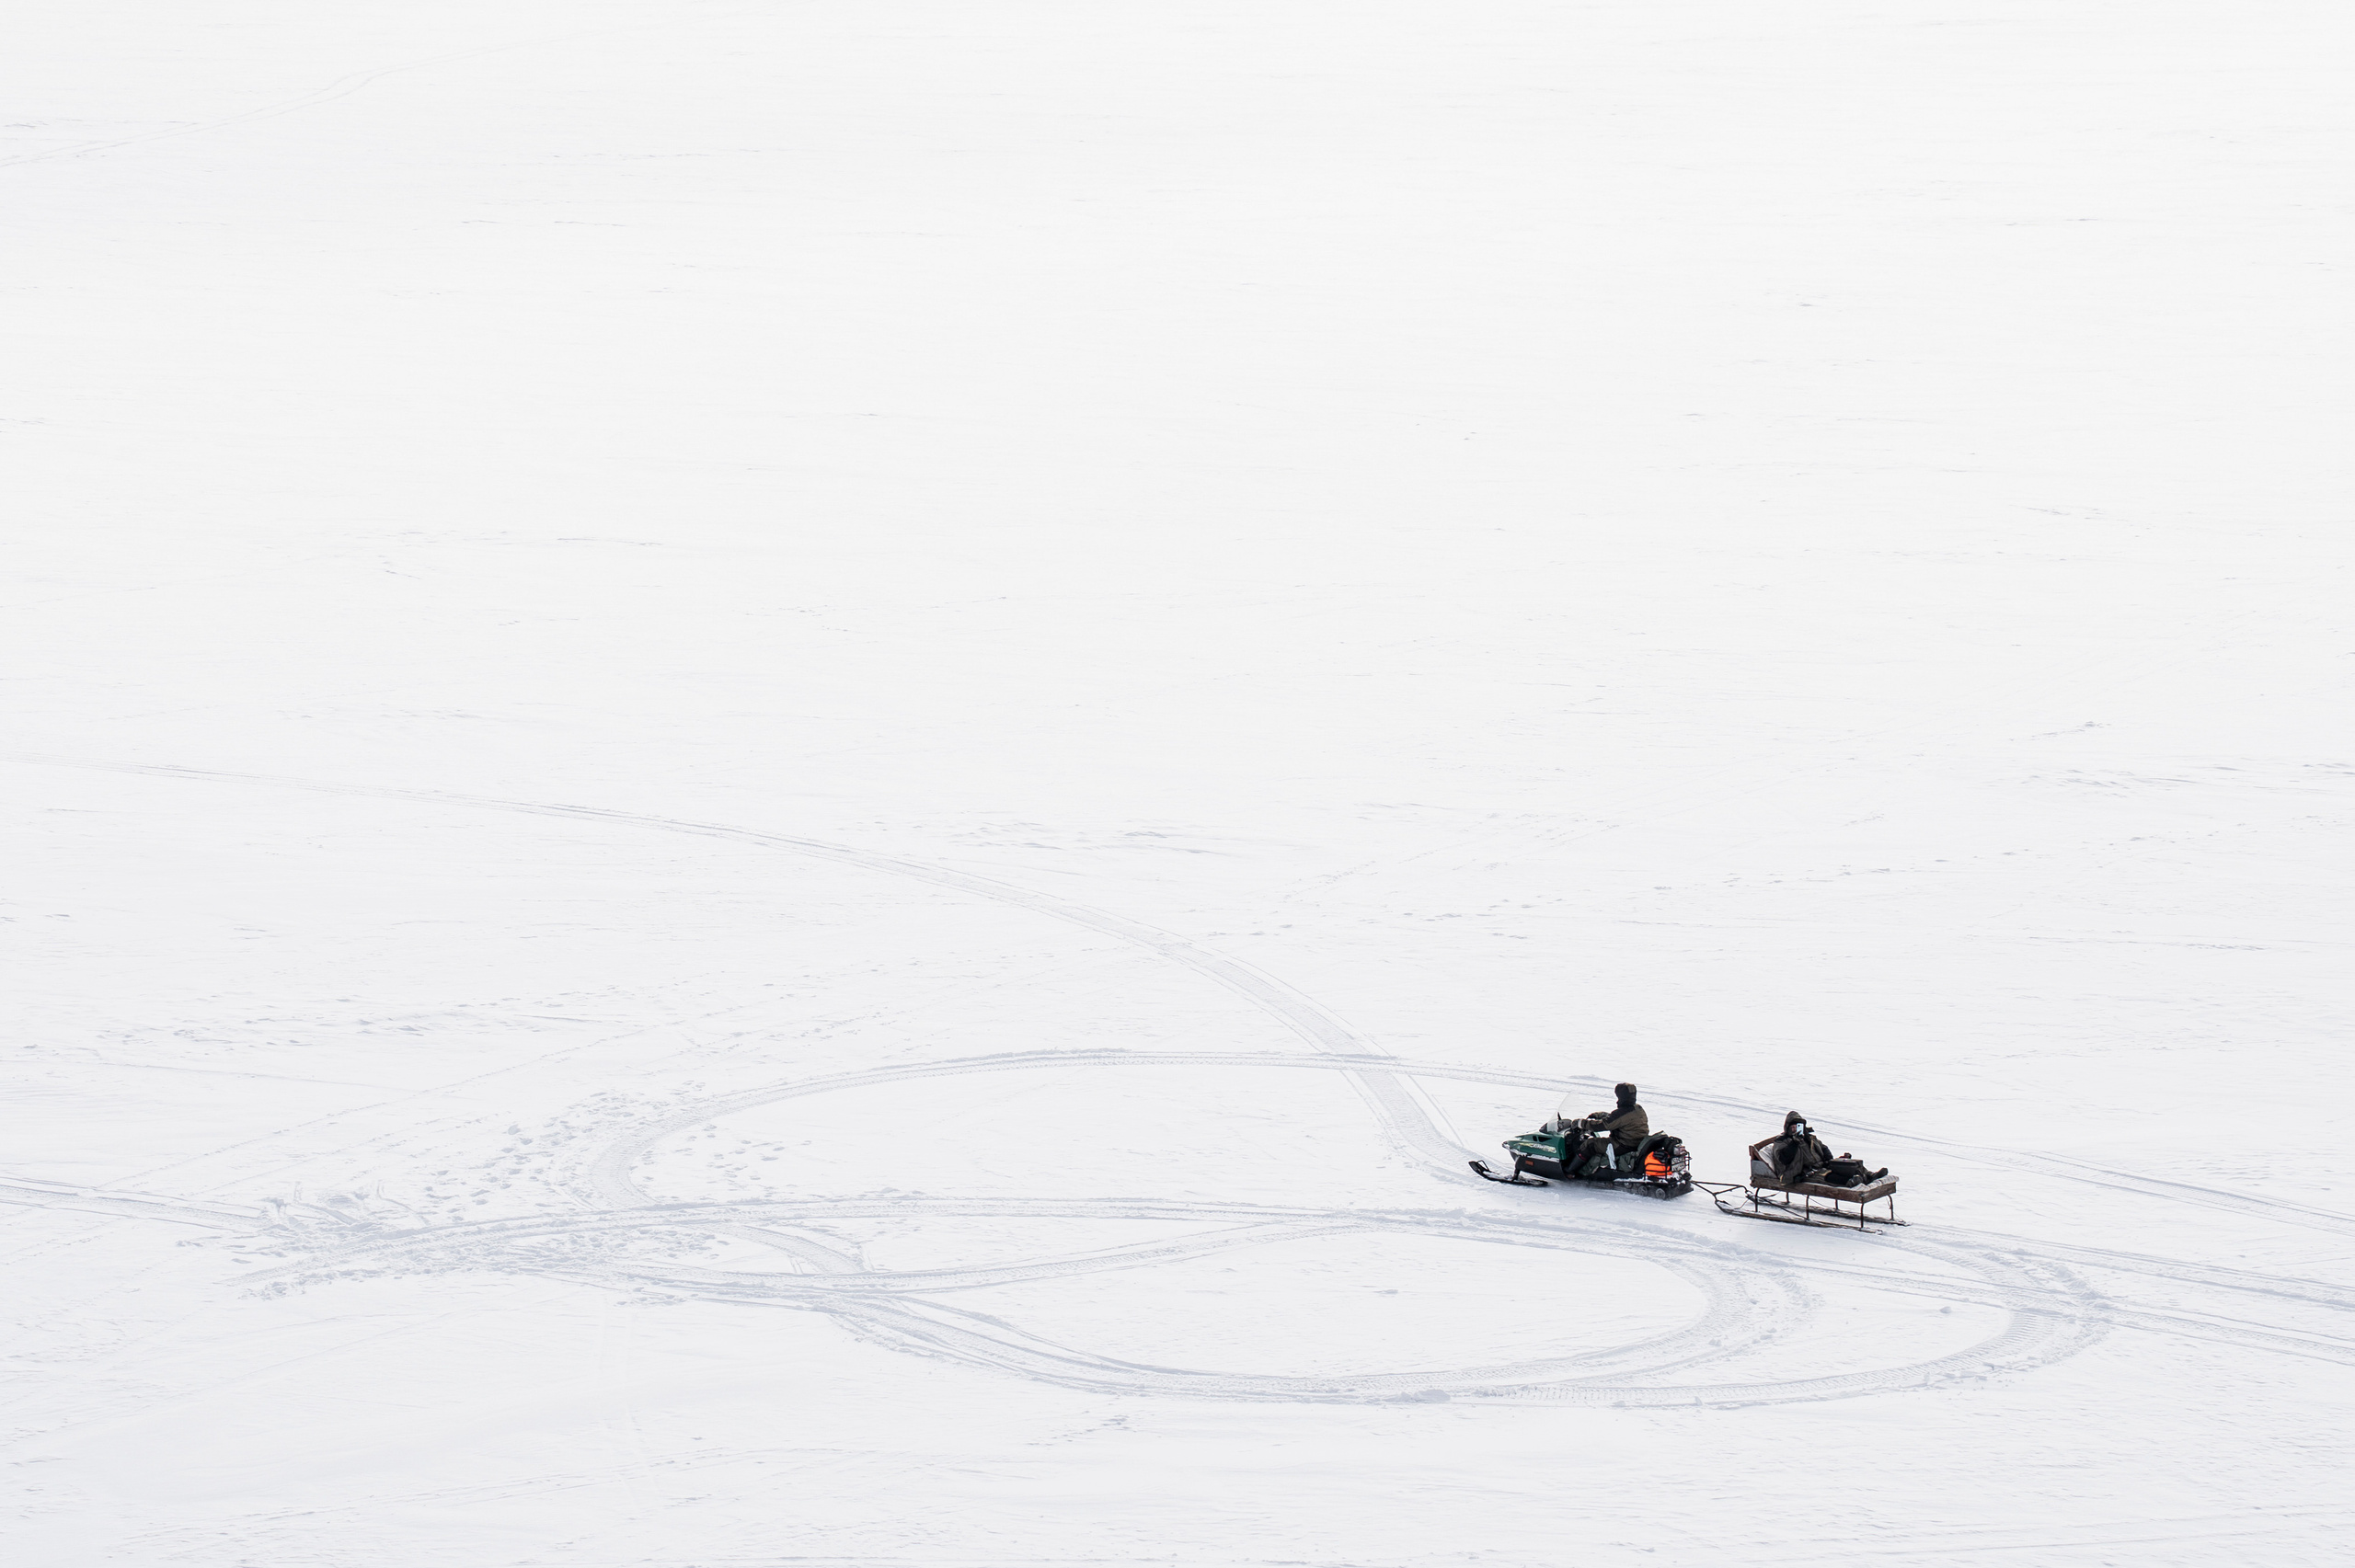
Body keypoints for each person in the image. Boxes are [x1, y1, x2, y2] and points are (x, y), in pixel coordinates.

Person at [1770, 1111, 1888, 1187]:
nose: (1796, 1129)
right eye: (1793, 1127)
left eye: (1798, 1126)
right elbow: (1784, 1159)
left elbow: (1824, 1148)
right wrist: (1794, 1143)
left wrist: (1829, 1161)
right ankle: (1851, 1181)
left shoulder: (1809, 1137)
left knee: (1847, 1164)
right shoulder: (1782, 1141)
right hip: (1804, 1172)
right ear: (1788, 1127)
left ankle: (1869, 1175)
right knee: (1826, 1176)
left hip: (1821, 1165)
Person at [1567, 1082, 1648, 1176]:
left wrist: (1581, 1123)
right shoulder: (1637, 1108)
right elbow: (1617, 1120)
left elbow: (1604, 1125)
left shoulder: (1623, 1112)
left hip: (1622, 1145)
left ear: (1622, 1096)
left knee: (1590, 1144)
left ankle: (1570, 1171)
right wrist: (1599, 1115)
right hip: (1635, 1142)